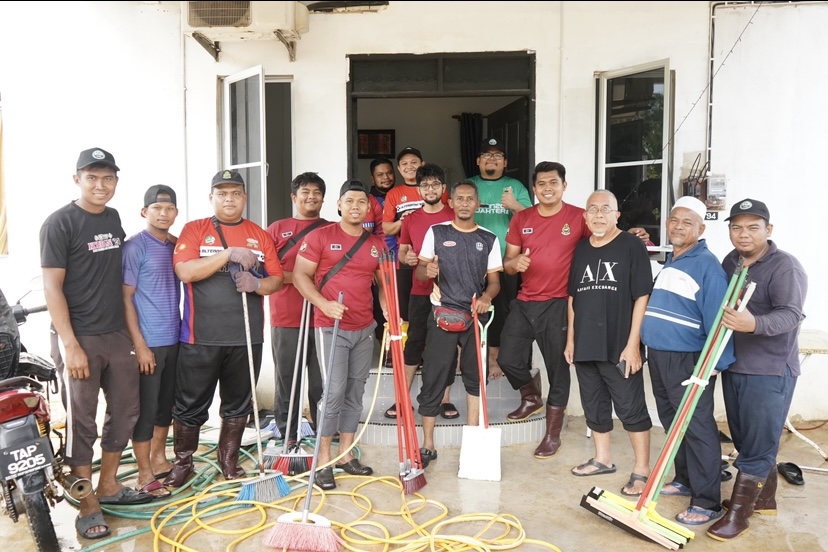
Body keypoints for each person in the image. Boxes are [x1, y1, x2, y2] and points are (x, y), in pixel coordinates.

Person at [40, 147, 152, 540]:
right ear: (77, 180)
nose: (100, 185)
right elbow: (52, 287)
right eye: (92, 177)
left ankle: (109, 485)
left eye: (108, 178)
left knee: (125, 411)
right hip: (79, 337)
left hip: (115, 335)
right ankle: (88, 504)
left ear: (116, 182)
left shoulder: (114, 218)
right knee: (82, 423)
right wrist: (70, 345)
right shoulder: (60, 223)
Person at [164, 170, 284, 488]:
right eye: (222, 193)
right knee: (190, 404)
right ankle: (183, 461)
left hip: (245, 337)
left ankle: (228, 459)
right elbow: (185, 271)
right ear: (211, 197)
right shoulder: (194, 230)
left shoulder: (260, 234)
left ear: (245, 197)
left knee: (238, 402)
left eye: (235, 193)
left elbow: (277, 279)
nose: (228, 199)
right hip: (198, 336)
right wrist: (228, 255)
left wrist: (257, 282)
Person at [707, 198, 807, 541]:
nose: (744, 234)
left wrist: (754, 323)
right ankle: (764, 499)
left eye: (753, 227)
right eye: (737, 227)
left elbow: (792, 314)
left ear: (768, 230)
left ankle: (739, 514)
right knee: (747, 438)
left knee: (758, 444)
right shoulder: (731, 262)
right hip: (736, 364)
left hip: (770, 370)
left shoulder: (784, 267)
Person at [640, 196, 734, 525]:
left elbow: (718, 323)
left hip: (687, 361)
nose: (679, 227)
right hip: (661, 357)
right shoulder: (674, 260)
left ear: (701, 228)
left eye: (687, 222)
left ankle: (707, 502)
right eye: (674, 220)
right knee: (672, 422)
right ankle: (685, 479)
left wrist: (710, 367)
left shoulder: (707, 266)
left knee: (697, 428)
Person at [293, 179, 388, 490]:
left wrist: (388, 310)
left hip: (365, 328)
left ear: (369, 207)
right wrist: (324, 303)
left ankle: (346, 455)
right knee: (333, 393)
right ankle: (322, 461)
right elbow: (299, 276)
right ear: (339, 205)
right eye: (349, 202)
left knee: (354, 392)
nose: (356, 207)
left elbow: (382, 282)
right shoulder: (322, 236)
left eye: (362, 202)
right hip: (330, 326)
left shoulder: (375, 244)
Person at [497, 162, 589, 459]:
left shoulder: (579, 218)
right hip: (525, 301)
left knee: (557, 370)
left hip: (560, 304)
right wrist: (515, 265)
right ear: (533, 189)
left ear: (564, 185)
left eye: (553, 182)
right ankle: (531, 395)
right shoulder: (521, 218)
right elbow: (507, 264)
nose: (547, 188)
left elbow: (604, 242)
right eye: (541, 184)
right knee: (508, 358)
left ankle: (552, 434)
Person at [565, 189, 653, 498]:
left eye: (606, 209)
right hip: (586, 342)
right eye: (593, 209)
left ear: (617, 215)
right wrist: (571, 339)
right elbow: (573, 298)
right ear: (585, 216)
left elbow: (642, 295)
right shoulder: (581, 249)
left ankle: (642, 469)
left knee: (630, 407)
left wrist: (633, 345)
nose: (599, 214)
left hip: (619, 344)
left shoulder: (631, 246)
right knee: (594, 404)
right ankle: (603, 459)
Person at [415, 180, 502, 466]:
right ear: (450, 202)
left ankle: (473, 439)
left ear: (478, 204)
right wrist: (427, 270)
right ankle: (427, 444)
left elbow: (494, 282)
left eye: (470, 199)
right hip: (443, 314)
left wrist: (488, 297)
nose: (464, 203)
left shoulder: (489, 238)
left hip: (476, 316)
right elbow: (420, 273)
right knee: (434, 377)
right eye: (459, 198)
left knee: (475, 378)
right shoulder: (436, 232)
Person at [384, 164, 457, 421]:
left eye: (435, 184)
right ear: (419, 189)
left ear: (443, 189)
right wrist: (409, 257)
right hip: (420, 290)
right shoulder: (411, 219)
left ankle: (444, 399)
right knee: (414, 342)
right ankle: (403, 398)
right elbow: (403, 254)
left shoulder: (455, 215)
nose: (430, 189)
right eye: (425, 185)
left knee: (447, 346)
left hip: (451, 292)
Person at [122, 185, 181, 500]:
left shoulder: (176, 245)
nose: (163, 213)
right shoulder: (135, 248)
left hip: (175, 339)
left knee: (165, 406)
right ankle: (144, 472)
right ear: (145, 212)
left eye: (169, 208)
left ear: (176, 213)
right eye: (157, 208)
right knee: (145, 410)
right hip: (149, 342)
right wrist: (140, 345)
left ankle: (159, 458)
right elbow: (125, 298)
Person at [266, 172, 331, 442]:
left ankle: (322, 435)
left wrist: (296, 278)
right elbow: (269, 271)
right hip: (286, 316)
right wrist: (301, 279)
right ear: (294, 197)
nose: (311, 196)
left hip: (322, 317)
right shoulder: (277, 229)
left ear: (324, 199)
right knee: (287, 381)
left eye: (317, 192)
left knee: (321, 382)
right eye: (305, 192)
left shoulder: (331, 229)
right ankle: (287, 435)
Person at [470, 137, 533, 376]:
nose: (492, 159)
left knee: (503, 310)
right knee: (468, 307)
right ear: (478, 161)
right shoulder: (469, 185)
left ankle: (496, 357)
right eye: (487, 155)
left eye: (497, 156)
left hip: (506, 260)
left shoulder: (514, 186)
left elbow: (533, 218)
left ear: (505, 162)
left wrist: (515, 205)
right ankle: (464, 356)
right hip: (471, 258)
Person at [369, 158, 397, 340]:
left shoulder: (400, 194)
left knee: (401, 307)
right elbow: (364, 235)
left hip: (403, 262)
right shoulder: (369, 200)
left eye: (389, 173)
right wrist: (370, 264)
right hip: (380, 263)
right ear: (372, 179)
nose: (386, 177)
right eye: (380, 175)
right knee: (383, 310)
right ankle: (387, 352)